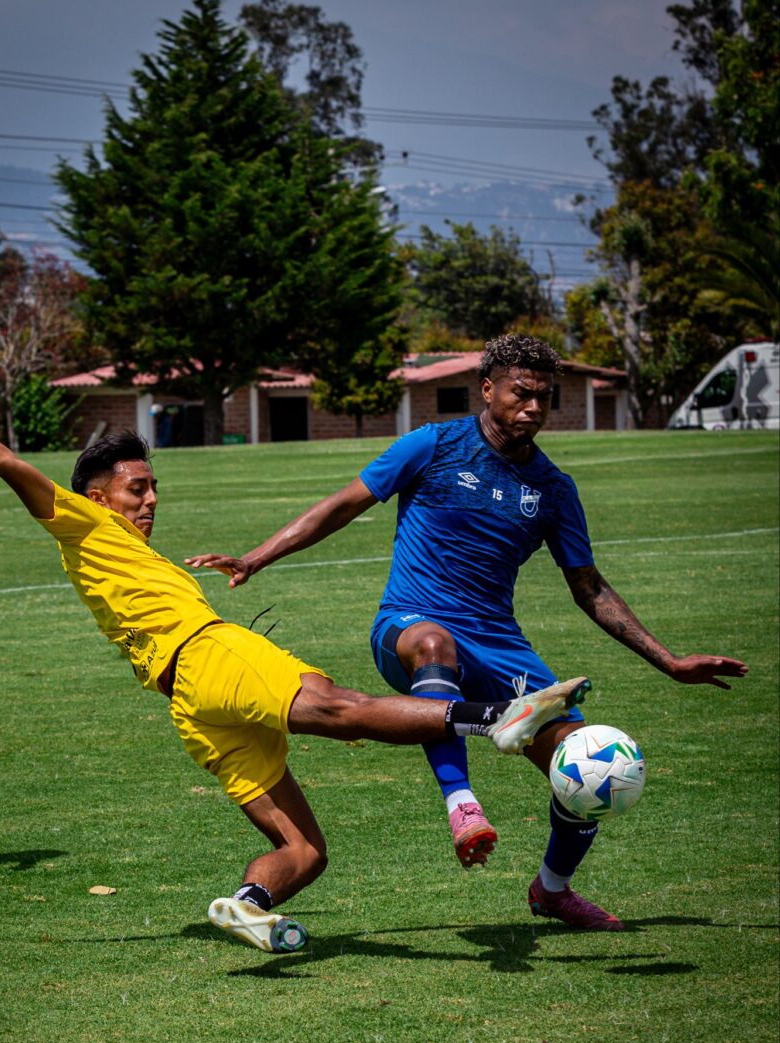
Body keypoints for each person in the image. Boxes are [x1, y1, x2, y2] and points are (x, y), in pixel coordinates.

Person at [0, 380, 591, 953]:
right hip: (210, 655)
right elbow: (8, 461)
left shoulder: (114, 553)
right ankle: (498, 717)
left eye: (154, 486)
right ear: (96, 496)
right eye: (137, 488)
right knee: (340, 706)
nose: (151, 498)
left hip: (191, 707)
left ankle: (248, 905)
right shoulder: (85, 522)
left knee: (305, 849)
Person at [186, 333, 748, 931]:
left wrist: (670, 661)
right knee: (436, 645)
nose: (532, 408)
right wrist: (255, 558)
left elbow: (590, 587)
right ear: (488, 389)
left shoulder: (553, 490)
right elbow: (343, 503)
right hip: (409, 624)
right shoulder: (434, 444)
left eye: (544, 399)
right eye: (520, 394)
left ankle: (552, 890)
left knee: (583, 763)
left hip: (498, 642)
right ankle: (462, 805)